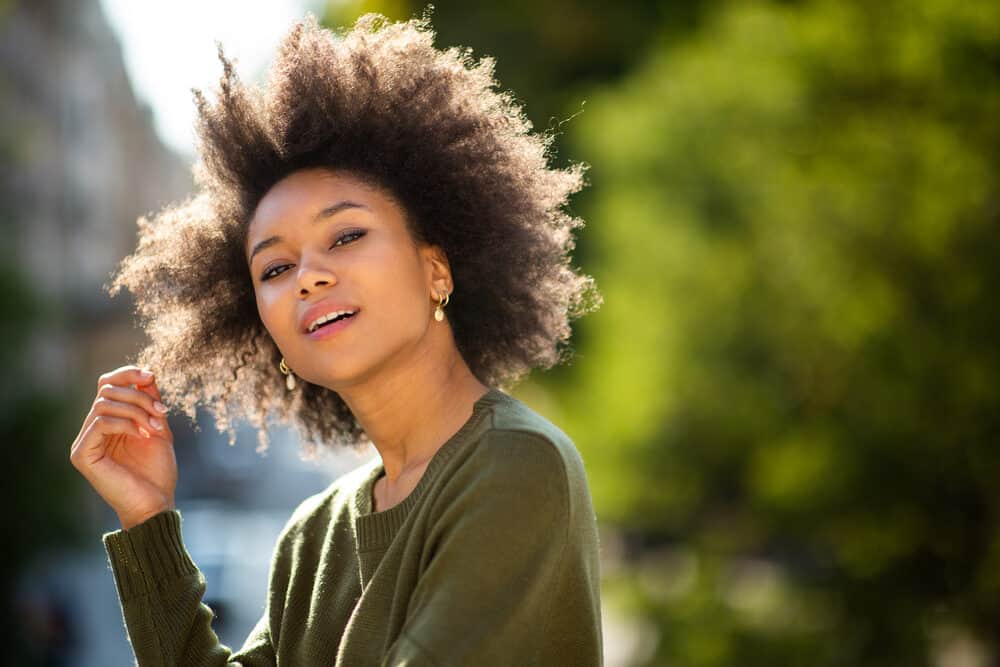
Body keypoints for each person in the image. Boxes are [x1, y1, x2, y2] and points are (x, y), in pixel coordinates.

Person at [69, 10, 604, 666]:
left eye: (346, 235)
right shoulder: (312, 536)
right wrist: (147, 518)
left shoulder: (516, 466)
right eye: (274, 267)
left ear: (435, 267)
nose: (309, 277)